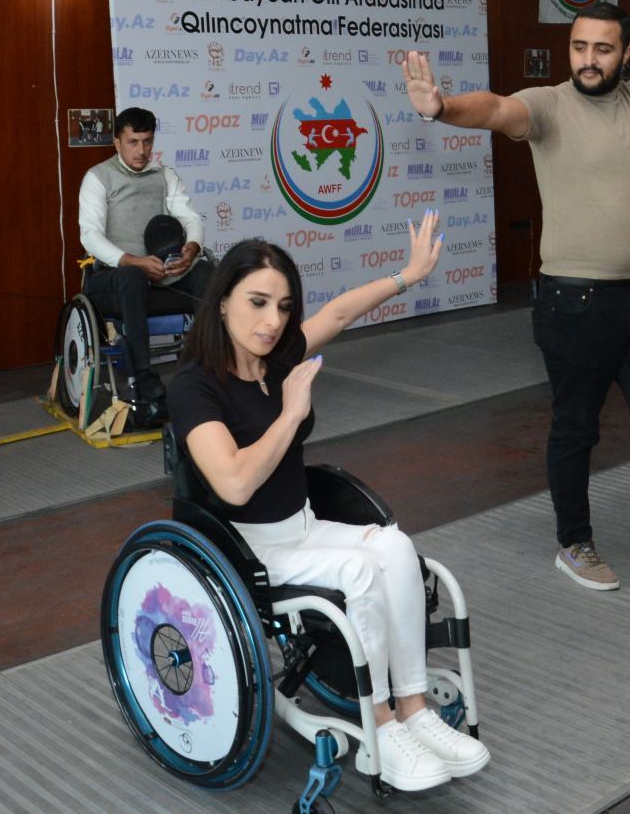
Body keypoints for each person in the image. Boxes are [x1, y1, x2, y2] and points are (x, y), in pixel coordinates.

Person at [401, 1, 630, 592]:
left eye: (603, 48)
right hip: (575, 304)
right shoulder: (549, 106)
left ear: (627, 53)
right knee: (576, 428)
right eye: (579, 47)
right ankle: (574, 544)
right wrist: (443, 108)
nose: (588, 60)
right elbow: (498, 108)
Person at [166, 216, 491, 793]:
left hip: (303, 528)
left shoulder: (278, 356)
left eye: (284, 307)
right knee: (361, 569)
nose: (272, 322)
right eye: (257, 302)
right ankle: (383, 724)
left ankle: (413, 707)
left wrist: (408, 276)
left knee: (394, 546)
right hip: (253, 551)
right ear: (221, 303)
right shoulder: (195, 386)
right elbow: (234, 484)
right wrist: (290, 413)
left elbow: (339, 313)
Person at [79, 106, 211, 406]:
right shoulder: (98, 178)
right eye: (133, 142)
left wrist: (191, 248)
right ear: (117, 143)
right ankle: (144, 377)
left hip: (164, 275)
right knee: (131, 276)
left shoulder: (165, 176)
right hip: (112, 279)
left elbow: (190, 218)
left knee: (205, 272)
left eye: (147, 142)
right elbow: (90, 236)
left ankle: (207, 369)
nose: (141, 150)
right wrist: (134, 261)